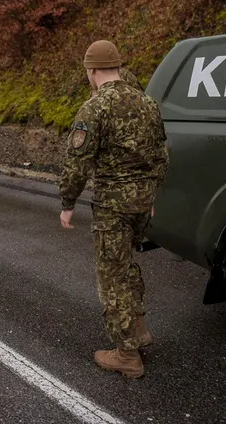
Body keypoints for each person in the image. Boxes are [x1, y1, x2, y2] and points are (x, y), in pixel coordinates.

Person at [58, 40, 169, 378]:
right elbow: (161, 155)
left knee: (112, 277)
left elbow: (77, 163)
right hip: (140, 204)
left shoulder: (95, 109)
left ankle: (127, 354)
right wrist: (150, 196)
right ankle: (136, 331)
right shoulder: (148, 104)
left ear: (92, 71)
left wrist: (67, 203)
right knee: (126, 268)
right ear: (119, 67)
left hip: (112, 207)